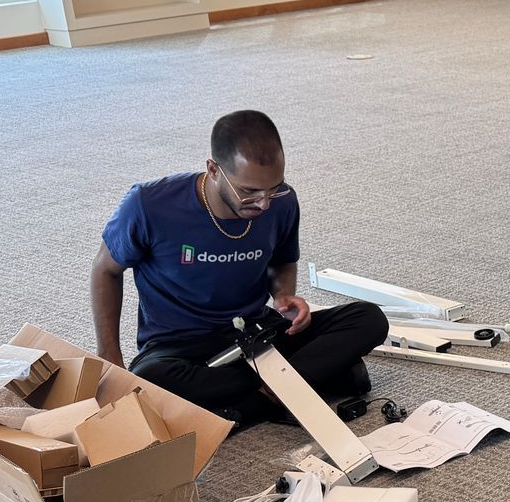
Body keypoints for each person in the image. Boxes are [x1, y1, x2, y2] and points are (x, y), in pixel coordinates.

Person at [91, 109, 387, 428]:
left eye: (273, 187)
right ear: (213, 169)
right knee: (150, 379)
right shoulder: (149, 204)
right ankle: (302, 382)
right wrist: (110, 359)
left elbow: (283, 260)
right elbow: (105, 270)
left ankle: (252, 404)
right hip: (181, 347)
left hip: (256, 332)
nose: (264, 204)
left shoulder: (283, 202)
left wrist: (284, 295)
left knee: (369, 319)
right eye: (249, 192)